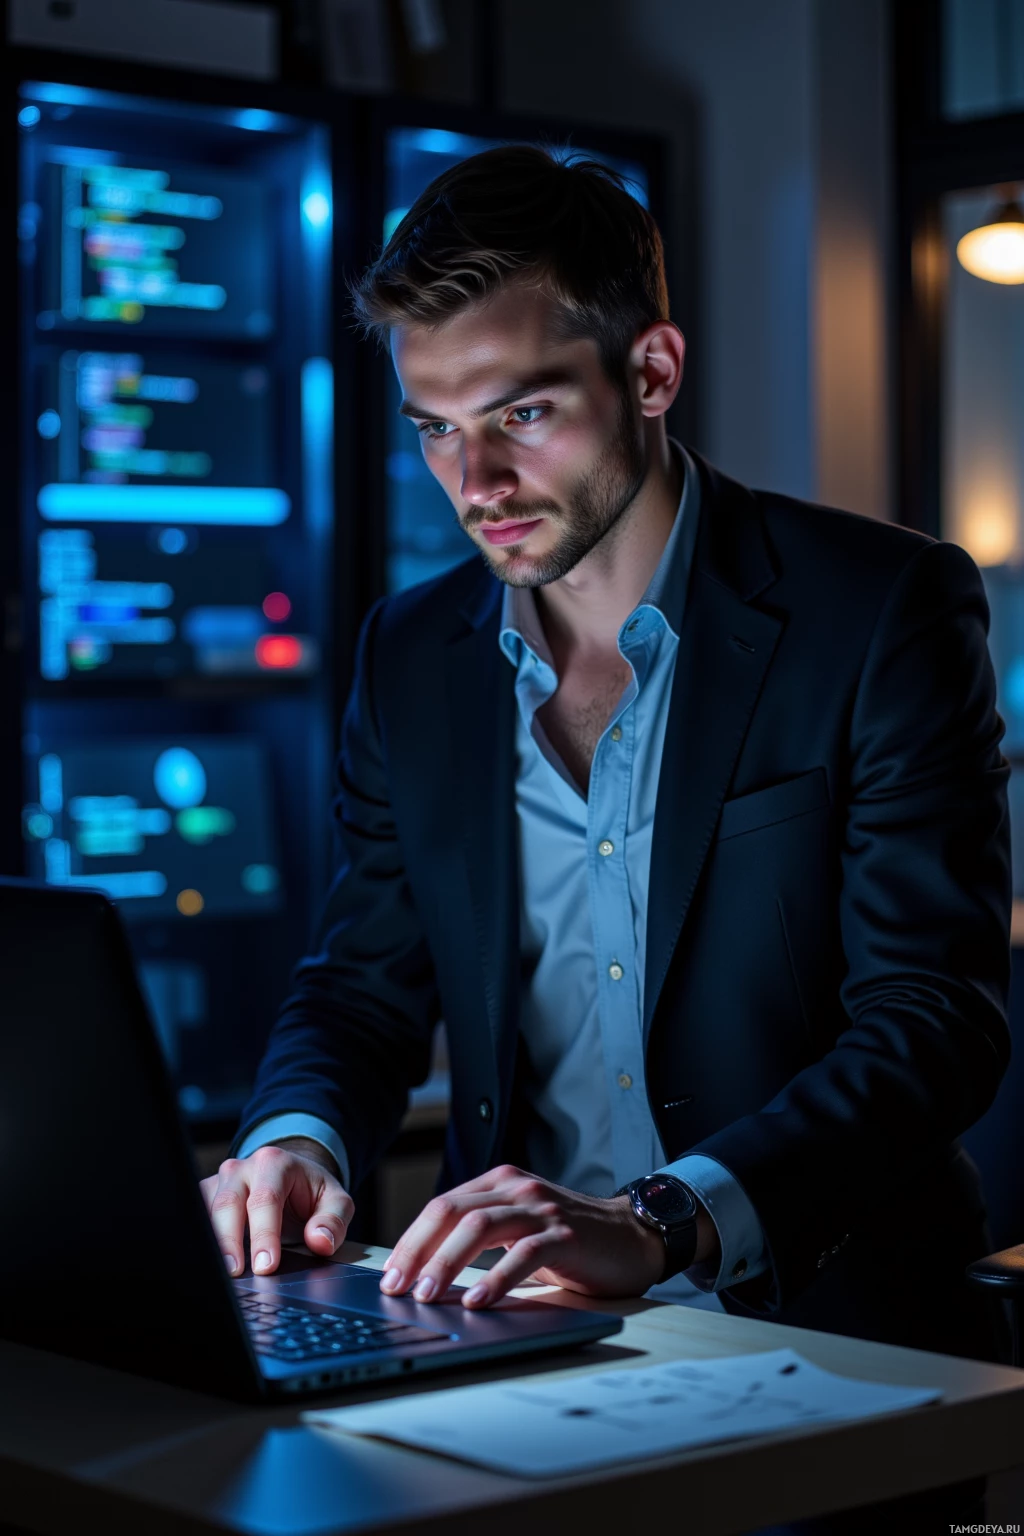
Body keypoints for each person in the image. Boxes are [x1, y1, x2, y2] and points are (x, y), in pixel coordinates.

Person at [202, 145, 1011, 1365]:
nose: (474, 484)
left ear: (650, 370)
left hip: (832, 1331)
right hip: (499, 1328)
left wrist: (666, 1219)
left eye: (522, 414)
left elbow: (933, 1020)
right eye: (436, 430)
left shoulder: (884, 607)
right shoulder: (411, 654)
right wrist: (293, 1142)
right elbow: (362, 983)